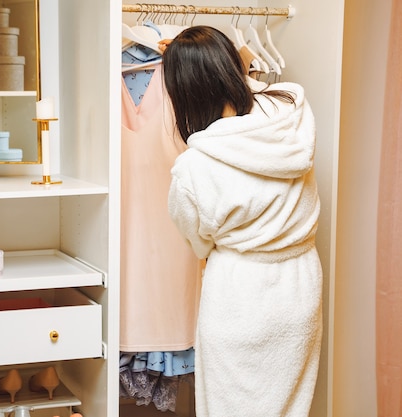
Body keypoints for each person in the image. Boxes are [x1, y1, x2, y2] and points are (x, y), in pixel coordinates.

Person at [161, 26, 323, 417]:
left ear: (182, 92)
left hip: (239, 296)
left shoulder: (194, 170)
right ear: (230, 66)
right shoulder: (291, 112)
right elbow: (248, 90)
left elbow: (199, 243)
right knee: (289, 405)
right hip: (300, 286)